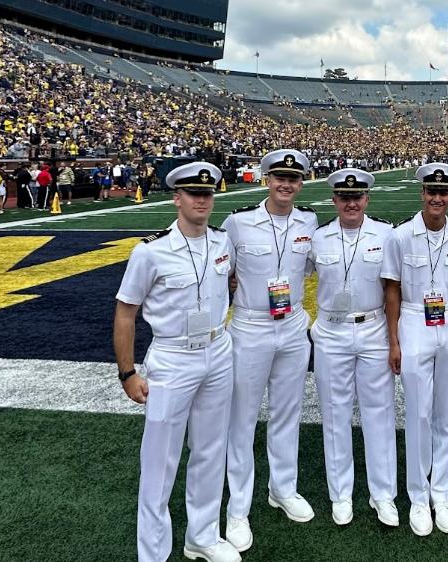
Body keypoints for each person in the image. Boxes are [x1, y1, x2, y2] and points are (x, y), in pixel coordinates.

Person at [113, 161, 240, 562]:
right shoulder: (149, 251)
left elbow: (228, 283)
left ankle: (202, 536)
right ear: (177, 198)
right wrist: (127, 372)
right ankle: (153, 554)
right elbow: (125, 312)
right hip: (173, 357)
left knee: (210, 448)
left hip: (219, 350)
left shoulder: (223, 242)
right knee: (160, 459)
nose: (202, 200)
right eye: (193, 193)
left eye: (207, 194)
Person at [222, 149, 318, 554]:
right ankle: (238, 508)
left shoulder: (308, 220)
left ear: (301, 183)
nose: (286, 184)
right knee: (242, 419)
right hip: (250, 325)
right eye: (279, 177)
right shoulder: (238, 222)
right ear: (266, 179)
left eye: (293, 179)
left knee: (286, 412)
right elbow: (220, 271)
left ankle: (283, 489)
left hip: (294, 324)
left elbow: (315, 267)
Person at [381, 163, 448, 536]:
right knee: (417, 414)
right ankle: (418, 496)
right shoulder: (400, 236)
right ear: (422, 194)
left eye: (444, 192)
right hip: (415, 321)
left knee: (446, 414)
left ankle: (442, 493)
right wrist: (395, 341)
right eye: (431, 191)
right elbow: (392, 290)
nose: (437, 197)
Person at [308, 168, 399, 527]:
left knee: (380, 414)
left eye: (357, 197)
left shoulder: (387, 234)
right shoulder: (318, 238)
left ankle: (383, 495)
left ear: (367, 199)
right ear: (334, 200)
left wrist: (395, 339)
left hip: (374, 329)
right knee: (335, 415)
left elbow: (394, 288)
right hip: (331, 333)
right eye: (344, 198)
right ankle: (341, 494)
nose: (351, 203)